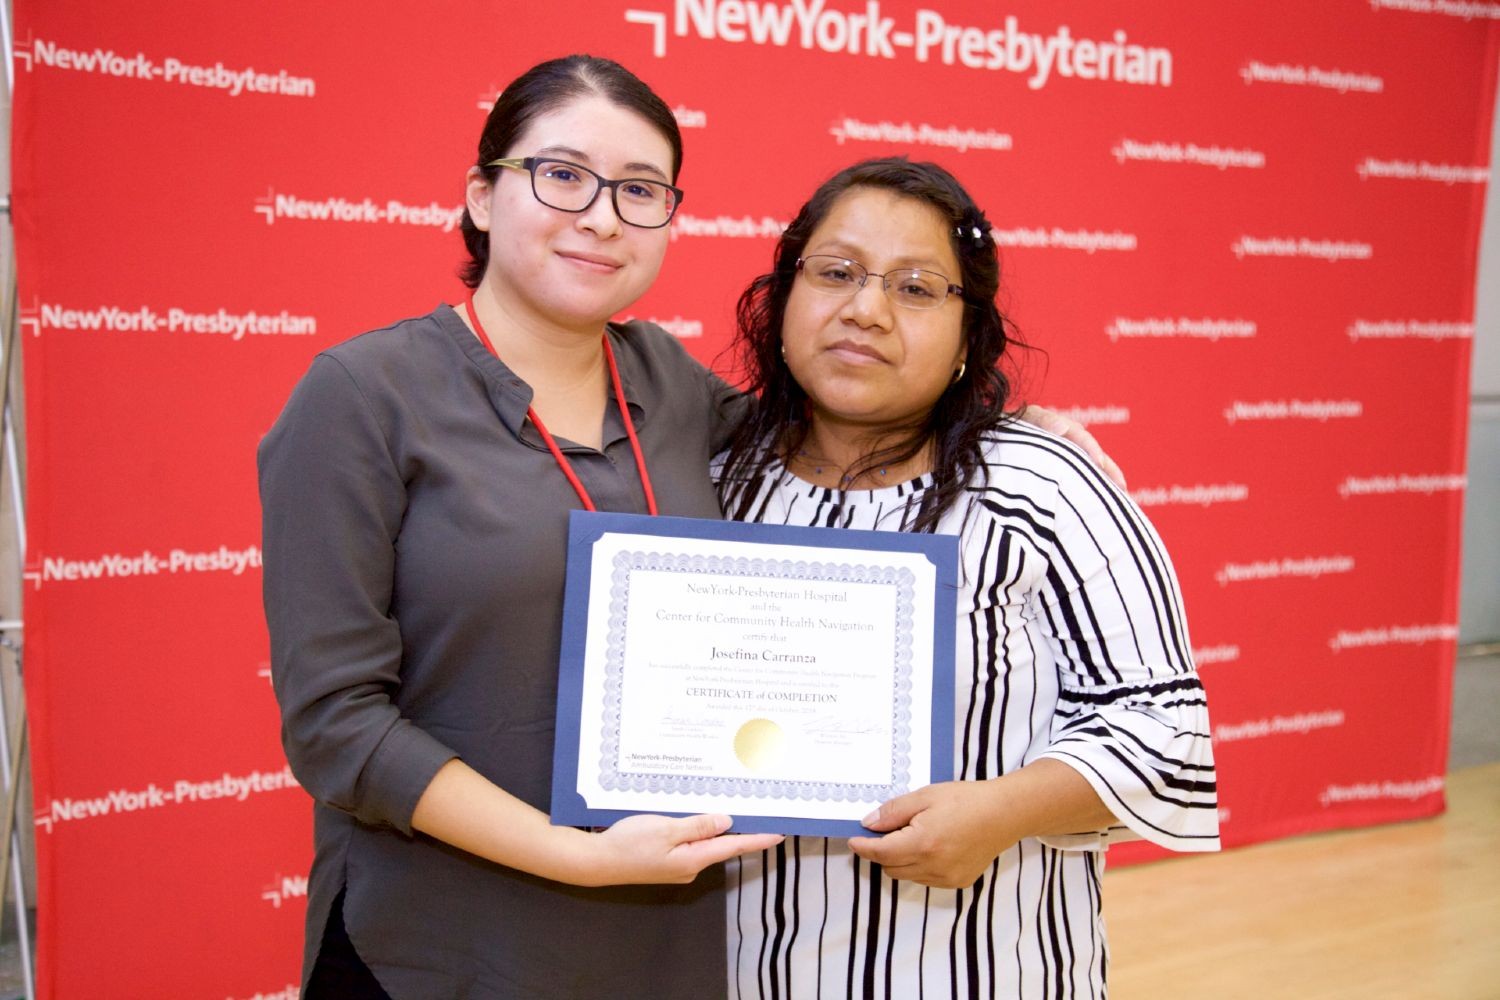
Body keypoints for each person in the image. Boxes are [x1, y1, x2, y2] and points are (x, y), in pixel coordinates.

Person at [258, 55, 784, 999]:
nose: (602, 216)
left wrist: (1002, 424)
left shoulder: (665, 377)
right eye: (563, 175)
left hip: (664, 943)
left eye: (639, 191)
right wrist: (572, 856)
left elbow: (835, 446)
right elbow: (336, 725)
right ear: (482, 197)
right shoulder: (362, 397)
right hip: (441, 947)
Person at [716, 158, 1219, 998]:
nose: (865, 310)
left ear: (968, 332)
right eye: (835, 273)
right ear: (783, 297)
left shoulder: (1045, 484)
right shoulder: (712, 485)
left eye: (916, 289)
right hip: (748, 972)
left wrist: (999, 812)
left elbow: (1165, 730)